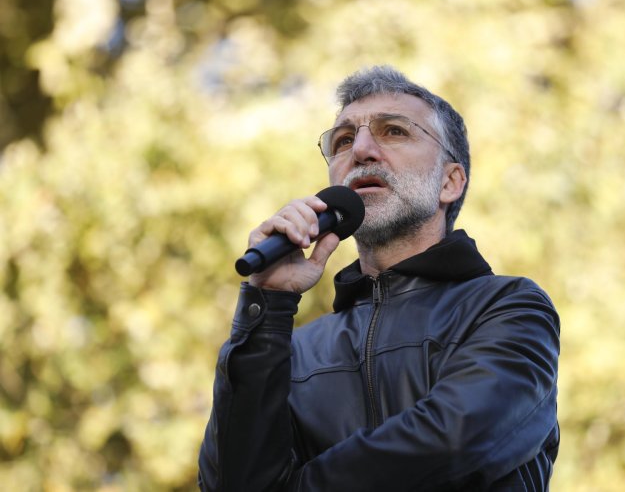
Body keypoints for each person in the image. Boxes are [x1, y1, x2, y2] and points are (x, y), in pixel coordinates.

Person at [198, 66, 560, 491]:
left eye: (394, 131)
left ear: (450, 182)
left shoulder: (508, 308)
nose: (362, 150)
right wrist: (266, 308)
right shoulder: (292, 352)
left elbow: (453, 441)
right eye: (343, 140)